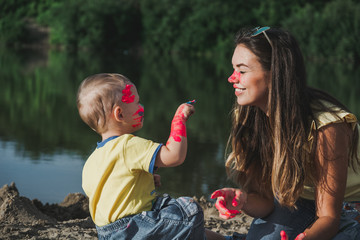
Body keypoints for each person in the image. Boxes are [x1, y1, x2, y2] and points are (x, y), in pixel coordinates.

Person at [211, 27, 360, 240]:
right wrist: (242, 199)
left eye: (242, 71)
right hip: (303, 202)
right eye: (234, 69)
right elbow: (265, 201)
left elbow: (329, 217)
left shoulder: (327, 127)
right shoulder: (249, 118)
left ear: (276, 73)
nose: (231, 78)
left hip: (348, 204)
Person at [76, 73, 224, 239]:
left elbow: (110, 195)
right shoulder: (127, 144)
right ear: (120, 114)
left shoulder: (92, 161)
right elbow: (174, 156)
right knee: (188, 209)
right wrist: (179, 120)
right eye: (137, 102)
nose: (142, 106)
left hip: (107, 234)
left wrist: (142, 182)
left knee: (179, 226)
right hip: (136, 228)